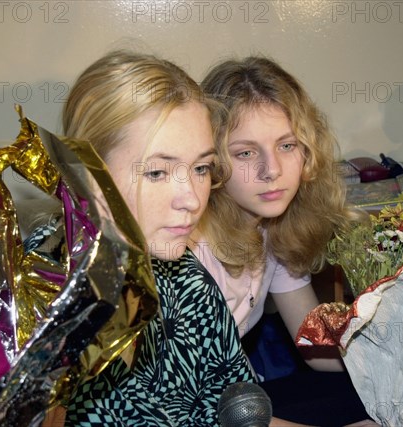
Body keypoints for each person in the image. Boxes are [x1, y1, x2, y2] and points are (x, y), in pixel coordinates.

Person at [24, 49, 256, 426]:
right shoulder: (38, 293)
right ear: (88, 172)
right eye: (157, 173)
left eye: (201, 168)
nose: (193, 199)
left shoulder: (186, 280)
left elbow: (234, 409)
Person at [190, 56, 375, 426]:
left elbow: (314, 348)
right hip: (195, 411)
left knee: (385, 400)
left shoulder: (270, 227)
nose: (271, 170)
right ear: (210, 160)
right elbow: (199, 410)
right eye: (245, 152)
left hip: (237, 399)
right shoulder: (191, 249)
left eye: (287, 146)